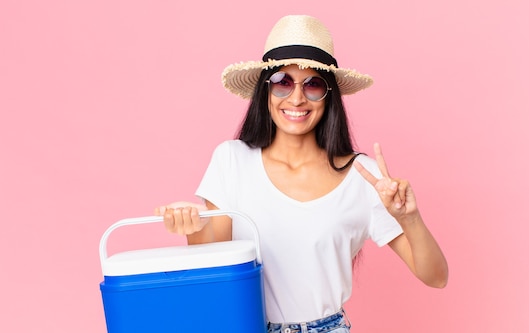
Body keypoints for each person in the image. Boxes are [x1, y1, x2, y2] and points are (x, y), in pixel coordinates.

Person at [155, 14, 448, 333]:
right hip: (247, 326)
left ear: (329, 95)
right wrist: (193, 228)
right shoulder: (232, 160)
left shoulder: (364, 175)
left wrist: (410, 217)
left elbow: (436, 277)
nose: (296, 98)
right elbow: (216, 277)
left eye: (313, 84)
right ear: (265, 90)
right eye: (283, 81)